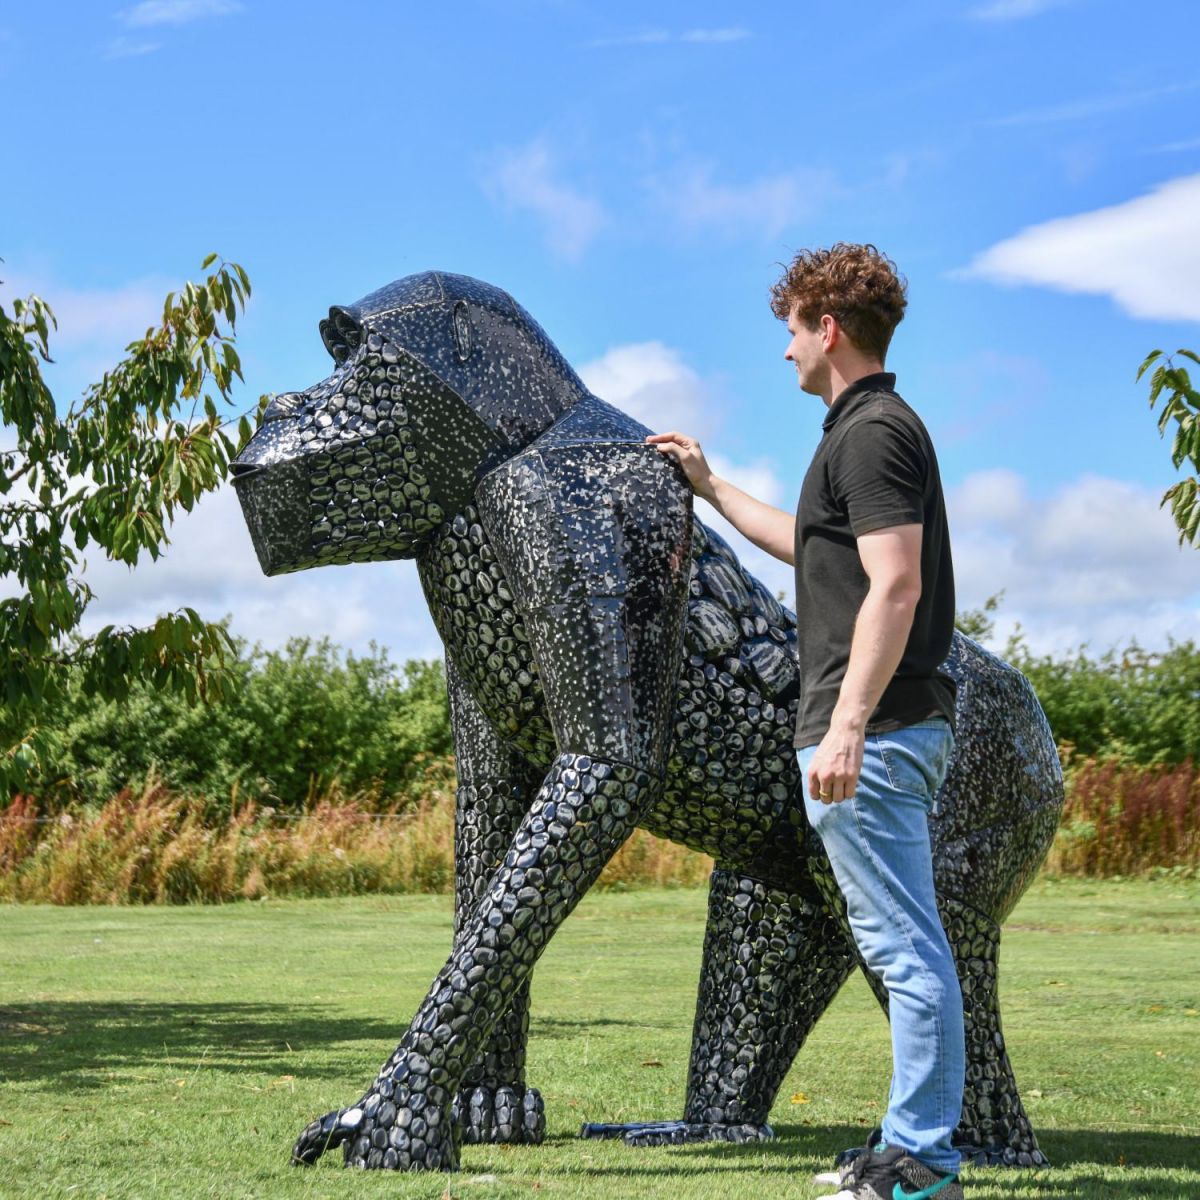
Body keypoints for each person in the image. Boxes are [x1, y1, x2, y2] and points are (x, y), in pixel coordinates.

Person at [647, 243, 964, 1200]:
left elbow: (895, 585)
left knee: (906, 951)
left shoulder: (872, 432)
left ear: (828, 329)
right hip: (880, 730)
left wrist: (850, 723)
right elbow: (814, 548)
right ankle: (908, 1149)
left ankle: (921, 1162)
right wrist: (710, 487)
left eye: (791, 330)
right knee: (901, 947)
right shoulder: (858, 432)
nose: (785, 350)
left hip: (880, 732)